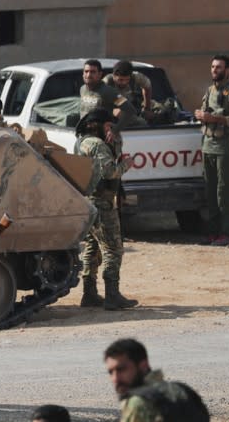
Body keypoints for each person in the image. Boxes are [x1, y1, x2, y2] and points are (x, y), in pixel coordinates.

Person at [75, 109, 137, 310]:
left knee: (92, 248)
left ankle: (89, 293)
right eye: (108, 127)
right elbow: (109, 172)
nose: (111, 131)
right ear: (97, 125)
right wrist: (126, 165)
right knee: (112, 249)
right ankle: (112, 295)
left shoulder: (82, 142)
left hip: (89, 202)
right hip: (102, 203)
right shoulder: (98, 145)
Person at [194, 54, 229, 247]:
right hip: (208, 146)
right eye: (213, 67)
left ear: (228, 70)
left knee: (224, 193)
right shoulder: (209, 90)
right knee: (210, 192)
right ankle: (213, 232)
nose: (214, 70)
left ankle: (226, 233)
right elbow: (203, 112)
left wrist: (214, 119)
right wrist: (200, 115)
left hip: (224, 148)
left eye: (219, 67)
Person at [104, 338, 210, 422]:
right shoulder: (183, 390)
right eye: (111, 372)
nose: (115, 378)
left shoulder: (138, 403)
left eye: (121, 369)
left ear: (143, 366)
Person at [80, 59, 136, 157]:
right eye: (86, 71)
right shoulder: (83, 89)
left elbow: (130, 110)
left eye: (93, 72)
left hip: (102, 144)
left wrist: (115, 130)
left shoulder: (109, 92)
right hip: (85, 141)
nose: (89, 75)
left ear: (100, 74)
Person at [104, 60, 153, 126]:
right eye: (120, 80)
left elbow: (147, 86)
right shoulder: (106, 82)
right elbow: (97, 104)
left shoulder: (136, 77)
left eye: (127, 80)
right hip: (111, 114)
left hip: (130, 109)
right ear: (114, 76)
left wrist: (147, 108)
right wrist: (113, 111)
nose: (124, 83)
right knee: (141, 123)